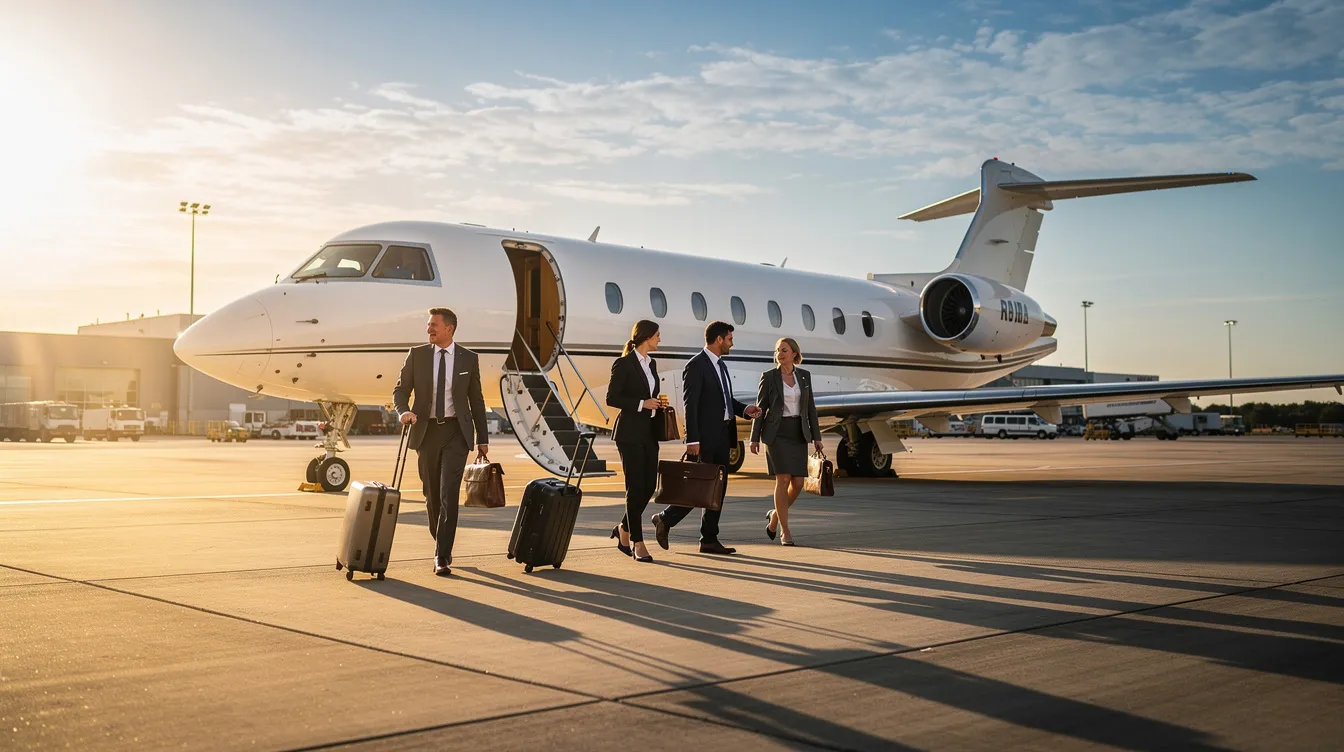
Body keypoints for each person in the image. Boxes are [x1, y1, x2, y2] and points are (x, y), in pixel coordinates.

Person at [392, 307, 489, 577]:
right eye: (428, 324)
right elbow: (400, 391)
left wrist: (482, 438)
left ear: (449, 328)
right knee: (432, 495)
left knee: (449, 494)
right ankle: (440, 539)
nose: (428, 329)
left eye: (434, 325)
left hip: (457, 433)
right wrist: (404, 412)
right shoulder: (418, 355)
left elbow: (476, 400)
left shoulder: (468, 359)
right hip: (427, 432)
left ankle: (442, 555)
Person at [650, 321, 762, 555]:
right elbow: (691, 405)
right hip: (705, 438)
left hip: (723, 435)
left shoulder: (721, 366)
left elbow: (725, 400)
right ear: (719, 339)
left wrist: (744, 410)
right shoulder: (696, 365)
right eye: (729, 338)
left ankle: (709, 539)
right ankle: (665, 519)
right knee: (698, 487)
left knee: (717, 489)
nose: (732, 343)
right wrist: (692, 439)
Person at [750, 337, 824, 546]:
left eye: (784, 350)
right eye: (777, 350)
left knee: (798, 483)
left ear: (794, 353)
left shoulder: (804, 376)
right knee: (782, 480)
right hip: (776, 434)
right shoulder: (769, 377)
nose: (780, 354)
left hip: (798, 433)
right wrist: (754, 438)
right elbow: (760, 410)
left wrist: (816, 437)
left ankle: (775, 516)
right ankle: (786, 531)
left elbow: (810, 409)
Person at [605, 320, 664, 564]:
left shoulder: (652, 363)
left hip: (649, 432)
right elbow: (612, 397)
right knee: (634, 487)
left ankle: (623, 528)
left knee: (649, 486)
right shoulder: (624, 363)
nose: (660, 340)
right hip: (629, 433)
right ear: (647, 337)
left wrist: (656, 403)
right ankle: (637, 542)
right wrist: (642, 404)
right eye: (657, 336)